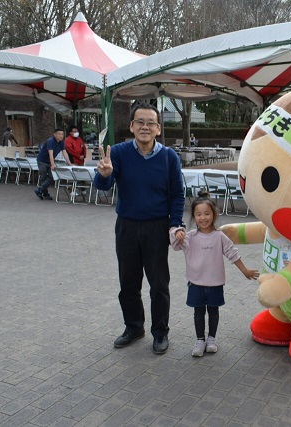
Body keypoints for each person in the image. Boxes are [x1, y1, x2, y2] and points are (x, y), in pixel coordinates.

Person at [93, 102, 185, 355]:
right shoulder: (120, 153)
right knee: (128, 283)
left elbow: (178, 194)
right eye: (140, 122)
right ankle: (134, 327)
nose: (145, 127)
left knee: (159, 284)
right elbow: (103, 185)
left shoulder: (169, 157)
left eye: (151, 123)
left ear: (158, 129)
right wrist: (104, 174)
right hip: (127, 227)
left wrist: (175, 223)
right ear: (132, 126)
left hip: (157, 227)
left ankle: (160, 332)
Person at [170, 192, 259, 357]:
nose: (203, 218)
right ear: (194, 216)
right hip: (195, 283)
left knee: (213, 311)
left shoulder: (220, 236)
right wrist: (176, 231)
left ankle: (211, 339)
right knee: (198, 313)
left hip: (215, 283)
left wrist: (245, 270)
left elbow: (233, 254)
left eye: (206, 213)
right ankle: (199, 340)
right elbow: (174, 245)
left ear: (214, 214)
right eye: (198, 214)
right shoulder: (189, 237)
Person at [34, 128, 73, 200]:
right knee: (43, 177)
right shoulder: (50, 141)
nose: (61, 136)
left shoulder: (61, 142)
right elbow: (50, 153)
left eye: (62, 134)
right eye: (59, 134)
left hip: (50, 161)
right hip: (42, 161)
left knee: (53, 176)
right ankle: (45, 194)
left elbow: (64, 152)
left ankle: (40, 189)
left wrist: (69, 163)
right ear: (54, 134)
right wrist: (52, 164)